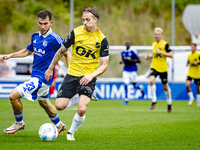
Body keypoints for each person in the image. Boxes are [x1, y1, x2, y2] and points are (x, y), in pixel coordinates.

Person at [0, 10, 71, 135]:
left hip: (42, 79)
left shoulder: (55, 38)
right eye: (40, 23)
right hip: (36, 76)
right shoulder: (35, 36)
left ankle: (19, 122)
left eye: (45, 23)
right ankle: (59, 125)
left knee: (12, 96)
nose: (42, 26)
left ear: (51, 23)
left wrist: (70, 73)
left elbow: (66, 53)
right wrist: (11, 55)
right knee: (43, 102)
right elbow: (28, 51)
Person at [45, 5, 109, 141]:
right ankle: (79, 95)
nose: (85, 23)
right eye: (83, 20)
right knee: (59, 106)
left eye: (88, 20)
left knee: (81, 110)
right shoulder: (75, 33)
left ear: (95, 20)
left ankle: (70, 133)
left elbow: (104, 65)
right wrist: (50, 68)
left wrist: (91, 75)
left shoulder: (102, 39)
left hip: (88, 78)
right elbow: (61, 50)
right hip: (72, 74)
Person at [145, 27, 173, 113]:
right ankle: (154, 99)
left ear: (161, 35)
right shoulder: (154, 44)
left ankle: (169, 102)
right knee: (151, 80)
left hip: (163, 68)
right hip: (154, 66)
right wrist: (149, 56)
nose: (157, 36)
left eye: (158, 34)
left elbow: (171, 55)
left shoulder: (165, 44)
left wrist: (161, 52)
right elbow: (154, 54)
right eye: (155, 34)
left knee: (165, 87)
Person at [120, 40, 145, 105]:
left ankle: (141, 88)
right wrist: (122, 62)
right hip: (126, 70)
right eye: (126, 43)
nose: (127, 44)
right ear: (125, 44)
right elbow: (123, 59)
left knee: (134, 85)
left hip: (133, 70)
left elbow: (139, 61)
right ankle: (126, 100)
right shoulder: (123, 51)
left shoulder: (133, 51)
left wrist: (130, 60)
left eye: (128, 43)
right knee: (125, 83)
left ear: (130, 44)